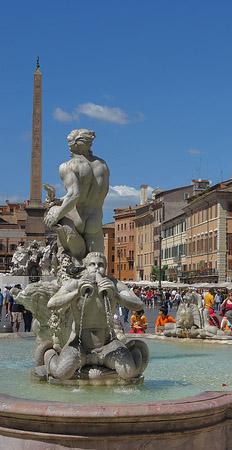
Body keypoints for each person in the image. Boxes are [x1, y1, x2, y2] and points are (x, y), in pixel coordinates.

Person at [46, 252, 146, 380]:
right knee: (61, 373)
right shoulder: (75, 283)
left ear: (105, 267)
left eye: (100, 265)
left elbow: (139, 305)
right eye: (92, 264)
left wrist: (116, 295)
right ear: (86, 267)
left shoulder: (114, 284)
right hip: (80, 344)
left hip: (108, 344)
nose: (96, 268)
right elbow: (51, 303)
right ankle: (49, 354)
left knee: (129, 373)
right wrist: (76, 293)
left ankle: (133, 352)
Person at [44, 129, 110, 261]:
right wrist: (60, 200)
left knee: (68, 263)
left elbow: (74, 195)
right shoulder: (102, 165)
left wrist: (56, 215)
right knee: (96, 267)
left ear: (72, 145)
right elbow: (88, 193)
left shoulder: (68, 166)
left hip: (75, 219)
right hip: (95, 220)